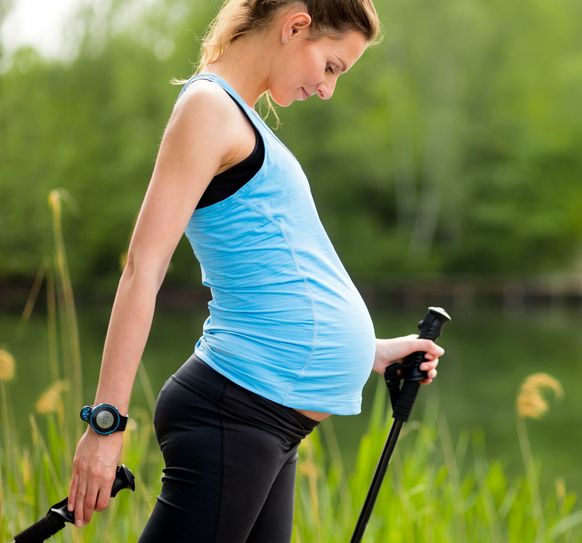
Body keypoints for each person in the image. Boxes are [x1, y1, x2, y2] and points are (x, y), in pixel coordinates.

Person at [66, 1, 445, 541]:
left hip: (265, 419)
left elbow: (276, 267)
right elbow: (141, 269)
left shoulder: (239, 117)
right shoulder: (208, 108)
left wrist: (373, 352)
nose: (327, 89)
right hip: (234, 412)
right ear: (295, 26)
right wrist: (105, 425)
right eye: (332, 66)